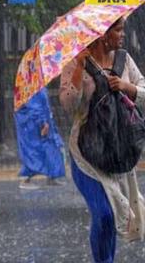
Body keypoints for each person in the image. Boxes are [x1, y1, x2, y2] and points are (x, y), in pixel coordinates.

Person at [60, 17, 145, 263]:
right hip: (86, 156)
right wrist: (78, 68)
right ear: (101, 34)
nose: (123, 35)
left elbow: (142, 93)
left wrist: (126, 87)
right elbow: (68, 104)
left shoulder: (124, 60)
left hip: (117, 150)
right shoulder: (76, 62)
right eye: (118, 30)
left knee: (116, 213)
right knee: (105, 214)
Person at [14, 87, 66, 189]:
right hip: (32, 125)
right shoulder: (31, 86)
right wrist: (42, 122)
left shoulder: (38, 86)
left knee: (50, 148)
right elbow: (35, 107)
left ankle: (52, 175)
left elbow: (42, 105)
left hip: (39, 123)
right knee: (33, 150)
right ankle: (25, 178)